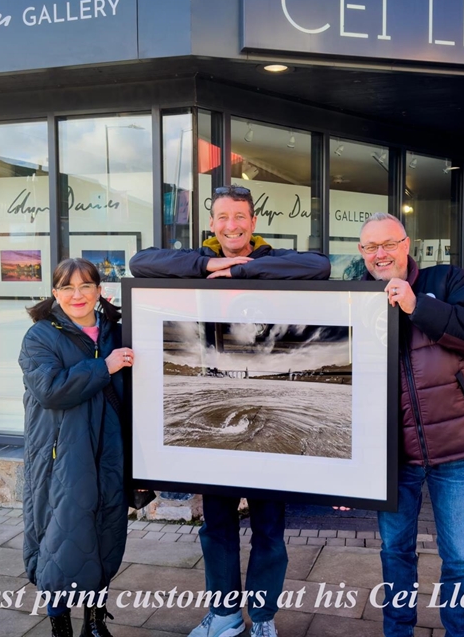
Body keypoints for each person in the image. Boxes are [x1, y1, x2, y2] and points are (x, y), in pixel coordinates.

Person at [129, 185, 330, 637]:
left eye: (239, 216)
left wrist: (245, 270)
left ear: (253, 222)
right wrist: (208, 266)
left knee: (269, 531)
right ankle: (223, 615)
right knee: (216, 527)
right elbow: (140, 262)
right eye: (222, 217)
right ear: (212, 221)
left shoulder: (277, 261)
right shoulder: (194, 262)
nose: (231, 226)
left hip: (265, 409)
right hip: (213, 417)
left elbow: (320, 265)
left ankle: (261, 618)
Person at [357, 213, 464, 637]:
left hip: (454, 448)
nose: (380, 254)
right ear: (362, 254)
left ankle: (461, 632)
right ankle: (397, 631)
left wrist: (419, 307)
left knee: (458, 556)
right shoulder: (357, 299)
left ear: (406, 245)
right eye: (369, 247)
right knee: (394, 551)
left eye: (388, 244)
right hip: (392, 454)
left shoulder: (448, 281)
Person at [19, 257, 136, 637]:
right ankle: (60, 626)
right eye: (67, 287)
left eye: (86, 286)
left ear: (100, 291)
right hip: (62, 456)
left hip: (109, 451)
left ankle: (95, 622)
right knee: (61, 539)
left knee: (104, 531)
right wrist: (106, 367)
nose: (77, 295)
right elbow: (50, 390)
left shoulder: (115, 332)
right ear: (55, 293)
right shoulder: (40, 337)